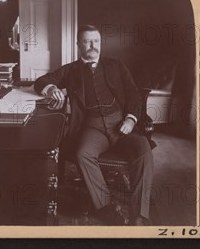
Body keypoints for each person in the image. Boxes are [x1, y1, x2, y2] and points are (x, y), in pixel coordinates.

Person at [34, 25, 153, 226]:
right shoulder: (71, 70)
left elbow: (133, 94)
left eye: (96, 41)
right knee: (83, 154)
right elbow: (40, 81)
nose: (92, 45)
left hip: (121, 123)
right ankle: (105, 206)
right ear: (79, 44)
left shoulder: (116, 65)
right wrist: (52, 88)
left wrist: (131, 119)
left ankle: (139, 215)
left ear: (100, 43)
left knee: (144, 152)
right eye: (87, 41)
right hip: (92, 127)